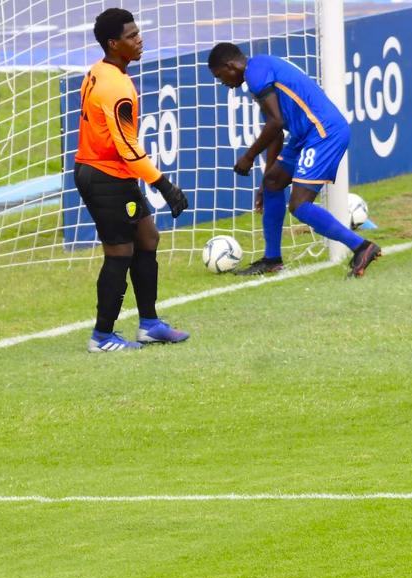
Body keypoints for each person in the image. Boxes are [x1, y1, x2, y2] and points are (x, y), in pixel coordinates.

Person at [207, 42, 381, 278]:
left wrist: (248, 157)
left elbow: (275, 122)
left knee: (299, 205)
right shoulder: (259, 72)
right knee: (273, 183)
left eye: (220, 76)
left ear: (231, 66)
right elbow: (276, 133)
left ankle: (362, 246)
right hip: (305, 135)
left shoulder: (255, 73)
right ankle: (272, 259)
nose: (223, 83)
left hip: (323, 132)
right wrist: (266, 178)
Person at [74, 8, 191, 353]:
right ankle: (101, 336)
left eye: (138, 33)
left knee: (147, 237)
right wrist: (164, 186)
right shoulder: (116, 87)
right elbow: (127, 148)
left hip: (110, 173)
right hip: (103, 176)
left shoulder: (100, 70)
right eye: (132, 36)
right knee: (119, 252)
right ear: (114, 43)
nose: (140, 40)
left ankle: (149, 324)